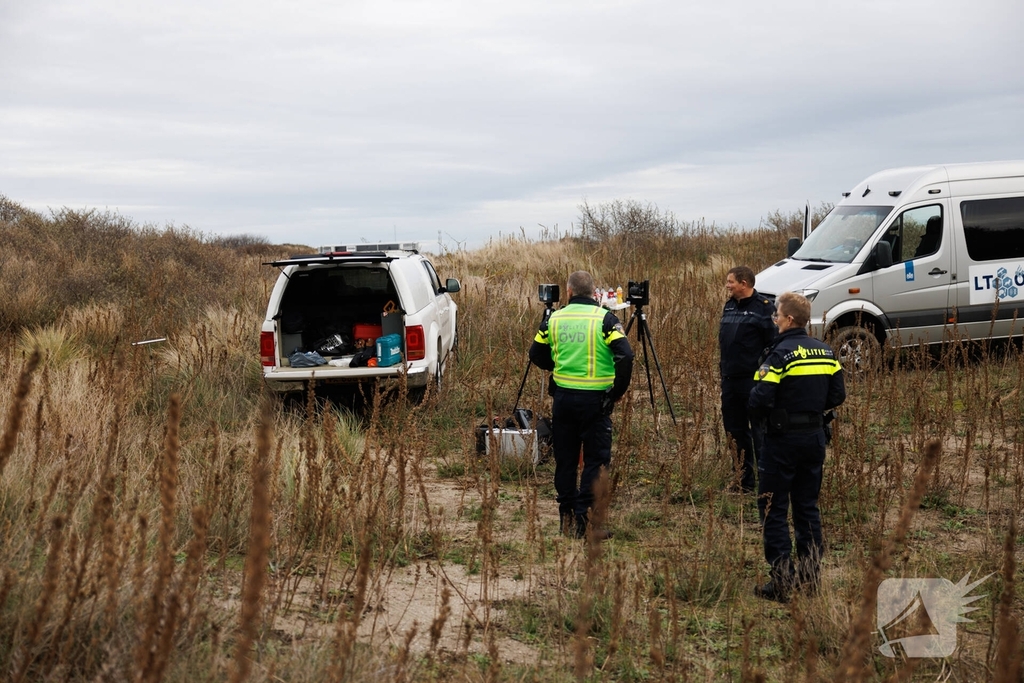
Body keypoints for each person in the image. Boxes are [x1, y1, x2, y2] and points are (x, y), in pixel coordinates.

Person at [749, 291, 845, 602]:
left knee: (773, 509)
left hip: (782, 441)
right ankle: (809, 577)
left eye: (776, 314)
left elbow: (758, 399)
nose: (773, 319)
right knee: (807, 509)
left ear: (789, 319)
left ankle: (781, 581)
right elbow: (837, 396)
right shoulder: (827, 353)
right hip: (814, 439)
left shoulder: (778, 355)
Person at [529, 270, 634, 540]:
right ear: (594, 293)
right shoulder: (605, 319)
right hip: (595, 401)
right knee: (596, 461)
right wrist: (617, 392)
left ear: (569, 292)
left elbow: (536, 353)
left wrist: (558, 365)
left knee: (565, 459)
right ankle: (585, 521)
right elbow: (626, 354)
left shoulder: (554, 319)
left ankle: (565, 516)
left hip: (563, 399)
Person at [719, 266, 776, 493]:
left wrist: (764, 378)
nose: (727, 285)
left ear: (744, 283)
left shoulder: (764, 309)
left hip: (753, 381)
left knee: (760, 432)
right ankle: (743, 480)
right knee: (734, 430)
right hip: (730, 380)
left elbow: (773, 346)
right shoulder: (729, 305)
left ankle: (767, 482)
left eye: (731, 282)